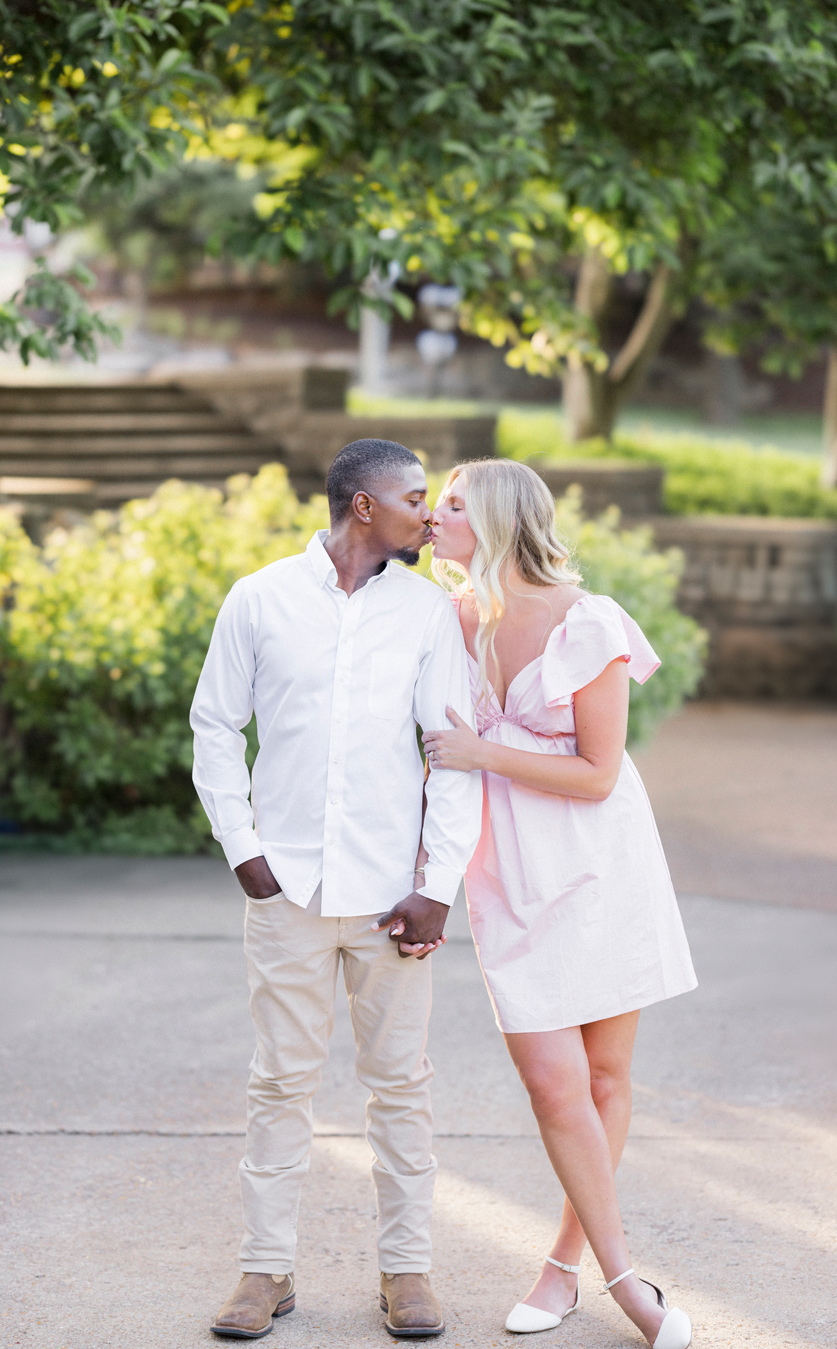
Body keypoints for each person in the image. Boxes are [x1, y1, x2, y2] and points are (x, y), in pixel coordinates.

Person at [190, 439, 482, 1340]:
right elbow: (214, 722)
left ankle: (407, 1271)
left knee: (401, 1086)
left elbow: (454, 753)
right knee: (279, 1083)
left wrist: (437, 885)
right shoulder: (261, 597)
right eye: (413, 499)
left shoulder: (428, 613)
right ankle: (264, 1268)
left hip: (394, 897)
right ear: (364, 506)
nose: (428, 517)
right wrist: (245, 850)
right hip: (288, 895)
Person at [422, 459, 697, 1349]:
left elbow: (597, 772)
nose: (436, 512)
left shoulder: (590, 621)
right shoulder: (445, 621)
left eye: (456, 501)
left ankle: (572, 1265)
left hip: (601, 864)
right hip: (509, 875)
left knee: (606, 1077)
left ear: (499, 516)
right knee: (553, 1083)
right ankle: (630, 1282)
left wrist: (481, 752)